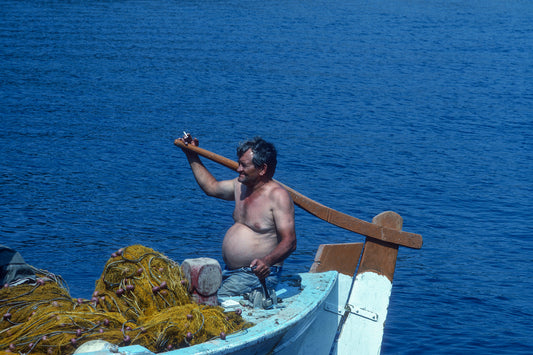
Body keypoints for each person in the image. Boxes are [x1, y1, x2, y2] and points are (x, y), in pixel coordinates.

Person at [179, 135, 296, 297]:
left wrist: (267, 261)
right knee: (189, 291)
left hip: (255, 275)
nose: (238, 169)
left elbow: (290, 242)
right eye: (238, 163)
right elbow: (211, 188)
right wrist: (191, 154)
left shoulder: (278, 196)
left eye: (244, 165)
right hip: (230, 272)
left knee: (212, 302)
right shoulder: (240, 185)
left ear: (262, 169)